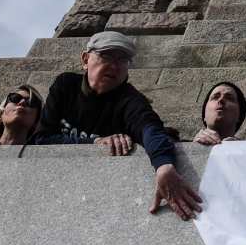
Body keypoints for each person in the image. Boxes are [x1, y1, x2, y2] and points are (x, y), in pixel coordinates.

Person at [35, 31, 202, 220]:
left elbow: (149, 128)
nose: (114, 66)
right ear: (85, 58)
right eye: (106, 55)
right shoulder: (65, 86)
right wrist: (96, 142)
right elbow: (42, 139)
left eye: (123, 60)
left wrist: (164, 165)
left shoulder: (130, 100)